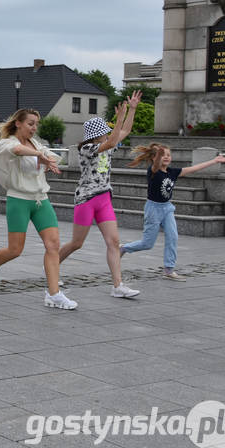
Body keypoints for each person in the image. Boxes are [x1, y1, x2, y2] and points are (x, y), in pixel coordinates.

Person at [0, 109, 73, 309]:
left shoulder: (37, 145)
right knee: (15, 250)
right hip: (19, 199)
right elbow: (17, 151)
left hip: (41, 199)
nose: (34, 128)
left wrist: (49, 160)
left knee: (53, 245)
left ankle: (54, 294)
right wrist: (39, 155)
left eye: (36, 124)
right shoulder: (8, 143)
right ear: (18, 123)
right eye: (30, 123)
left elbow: (51, 156)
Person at [58, 93, 142, 297]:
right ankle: (51, 263)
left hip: (104, 198)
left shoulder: (107, 144)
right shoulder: (87, 148)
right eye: (105, 132)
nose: (108, 134)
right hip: (86, 198)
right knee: (77, 243)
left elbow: (125, 131)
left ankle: (118, 286)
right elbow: (113, 140)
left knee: (113, 242)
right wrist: (119, 116)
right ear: (97, 135)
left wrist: (131, 109)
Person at [120, 143, 225, 280]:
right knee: (147, 244)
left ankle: (169, 269)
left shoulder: (172, 172)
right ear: (154, 158)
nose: (166, 157)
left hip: (167, 208)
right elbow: (156, 164)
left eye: (168, 155)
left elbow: (193, 168)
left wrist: (214, 161)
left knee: (173, 236)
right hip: (153, 209)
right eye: (163, 155)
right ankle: (124, 248)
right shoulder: (153, 171)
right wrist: (159, 153)